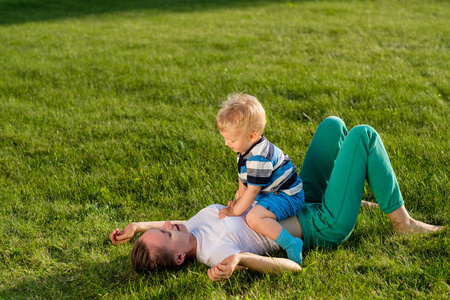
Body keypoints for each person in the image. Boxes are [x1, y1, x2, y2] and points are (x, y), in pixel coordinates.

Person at [110, 116, 444, 281]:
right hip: (321, 223)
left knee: (333, 125)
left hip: (295, 198)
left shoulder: (191, 228)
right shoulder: (216, 253)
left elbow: (166, 228)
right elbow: (291, 266)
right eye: (167, 232)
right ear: (181, 257)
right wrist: (241, 260)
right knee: (363, 136)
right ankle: (402, 223)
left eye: (164, 226)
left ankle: (352, 196)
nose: (169, 223)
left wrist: (140, 225)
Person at [215, 93, 305, 264]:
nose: (227, 143)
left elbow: (253, 190)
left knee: (253, 218)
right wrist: (239, 200)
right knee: (241, 201)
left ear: (252, 136)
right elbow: (244, 180)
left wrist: (235, 211)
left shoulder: (259, 158)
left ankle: (291, 243)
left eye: (231, 139)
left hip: (287, 195)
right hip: (270, 191)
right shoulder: (243, 149)